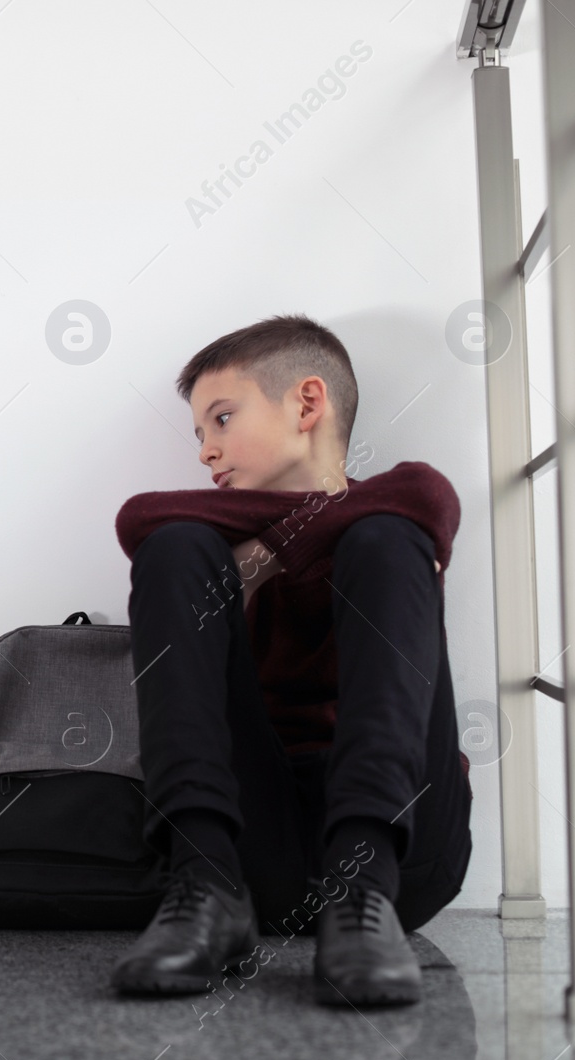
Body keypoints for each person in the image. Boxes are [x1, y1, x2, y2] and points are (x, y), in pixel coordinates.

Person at [107, 314, 472, 1007]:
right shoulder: (209, 546)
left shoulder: (386, 523)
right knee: (176, 549)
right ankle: (202, 885)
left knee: (389, 541)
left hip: (403, 857)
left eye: (221, 419)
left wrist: (272, 552)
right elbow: (141, 520)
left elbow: (427, 493)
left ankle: (360, 885)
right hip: (254, 855)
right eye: (199, 434)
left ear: (306, 404)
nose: (207, 452)